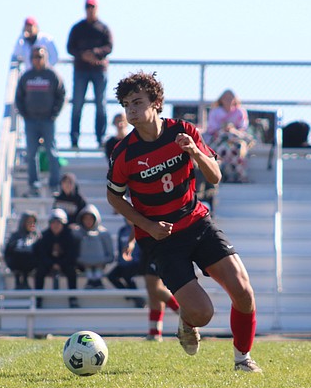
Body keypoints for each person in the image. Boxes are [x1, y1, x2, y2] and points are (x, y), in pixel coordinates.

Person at [107, 71, 261, 372]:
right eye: (127, 105)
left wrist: (194, 152)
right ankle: (188, 319)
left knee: (243, 290)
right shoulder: (124, 152)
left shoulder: (184, 131)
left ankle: (242, 359)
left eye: (138, 102)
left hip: (196, 222)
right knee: (203, 313)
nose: (132, 111)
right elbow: (114, 197)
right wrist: (148, 226)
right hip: (160, 239)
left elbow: (215, 176)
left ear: (157, 103)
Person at [15, 46, 66, 197]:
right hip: (31, 121)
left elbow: (61, 95)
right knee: (31, 153)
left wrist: (53, 114)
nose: (37, 59)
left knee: (51, 151)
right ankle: (34, 185)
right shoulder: (26, 76)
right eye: (35, 56)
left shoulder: (52, 75)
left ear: (46, 58)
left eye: (40, 56)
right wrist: (25, 114)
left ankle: (54, 185)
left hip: (47, 120)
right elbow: (19, 97)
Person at [67, 0, 113, 148]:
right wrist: (83, 55)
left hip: (99, 71)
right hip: (81, 71)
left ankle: (100, 139)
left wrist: (96, 53)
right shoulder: (77, 28)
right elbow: (70, 47)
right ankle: (74, 139)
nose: (90, 10)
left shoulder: (103, 28)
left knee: (101, 104)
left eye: (92, 7)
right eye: (88, 7)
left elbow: (109, 47)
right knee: (77, 104)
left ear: (97, 8)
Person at [205, 89, 255, 183]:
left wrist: (231, 129)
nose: (228, 100)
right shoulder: (215, 112)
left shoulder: (240, 112)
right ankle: (236, 175)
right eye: (226, 98)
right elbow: (212, 129)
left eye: (231, 98)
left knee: (236, 148)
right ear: (221, 99)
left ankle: (232, 175)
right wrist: (224, 128)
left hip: (235, 140)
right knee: (224, 147)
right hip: (219, 140)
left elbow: (243, 128)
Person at [33, 208, 79, 308]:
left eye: (58, 223)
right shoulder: (44, 236)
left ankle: (73, 299)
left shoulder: (70, 236)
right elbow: (41, 254)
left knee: (72, 272)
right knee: (40, 272)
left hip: (64, 263)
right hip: (49, 263)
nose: (56, 225)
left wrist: (60, 264)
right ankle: (38, 299)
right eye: (53, 223)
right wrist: (52, 264)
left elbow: (72, 255)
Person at [73, 204, 114, 289]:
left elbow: (110, 254)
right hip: (83, 266)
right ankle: (91, 281)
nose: (88, 221)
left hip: (101, 265)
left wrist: (101, 260)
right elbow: (73, 252)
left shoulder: (104, 233)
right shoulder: (76, 233)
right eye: (86, 218)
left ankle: (97, 281)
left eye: (90, 218)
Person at [3, 211, 40, 289]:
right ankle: (18, 280)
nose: (31, 224)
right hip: (16, 262)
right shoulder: (15, 236)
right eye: (29, 222)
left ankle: (25, 280)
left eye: (33, 222)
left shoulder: (36, 236)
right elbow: (8, 251)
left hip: (31, 263)